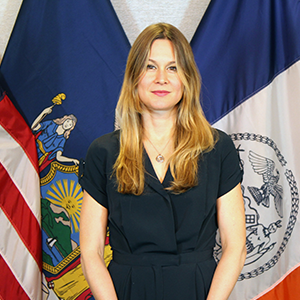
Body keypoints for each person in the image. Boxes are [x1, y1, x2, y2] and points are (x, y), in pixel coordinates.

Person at [79, 23, 246, 300]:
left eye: (172, 67)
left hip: (200, 290)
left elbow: (234, 246)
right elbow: (91, 250)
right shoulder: (104, 151)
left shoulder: (217, 148)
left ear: (187, 79)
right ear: (134, 78)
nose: (161, 79)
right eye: (149, 66)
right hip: (126, 290)